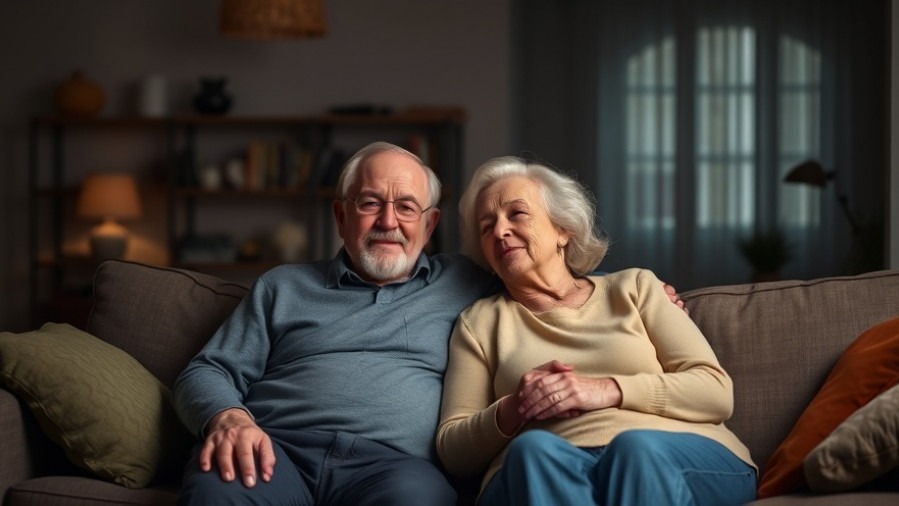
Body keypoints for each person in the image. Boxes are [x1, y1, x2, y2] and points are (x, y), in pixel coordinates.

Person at [173, 142, 684, 505]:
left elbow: (542, 268)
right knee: (214, 489)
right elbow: (204, 372)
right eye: (370, 203)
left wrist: (636, 296)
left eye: (407, 207)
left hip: (394, 468)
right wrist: (228, 419)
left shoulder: (467, 282)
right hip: (275, 450)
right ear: (341, 216)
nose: (389, 222)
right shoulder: (282, 286)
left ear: (431, 224)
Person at [435, 156, 757, 506]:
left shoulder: (636, 288)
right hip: (544, 469)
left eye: (517, 214)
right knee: (532, 449)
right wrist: (515, 407)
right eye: (487, 227)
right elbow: (454, 449)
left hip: (670, 449)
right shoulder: (479, 322)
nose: (499, 230)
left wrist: (606, 390)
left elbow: (716, 392)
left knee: (635, 448)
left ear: (563, 230)